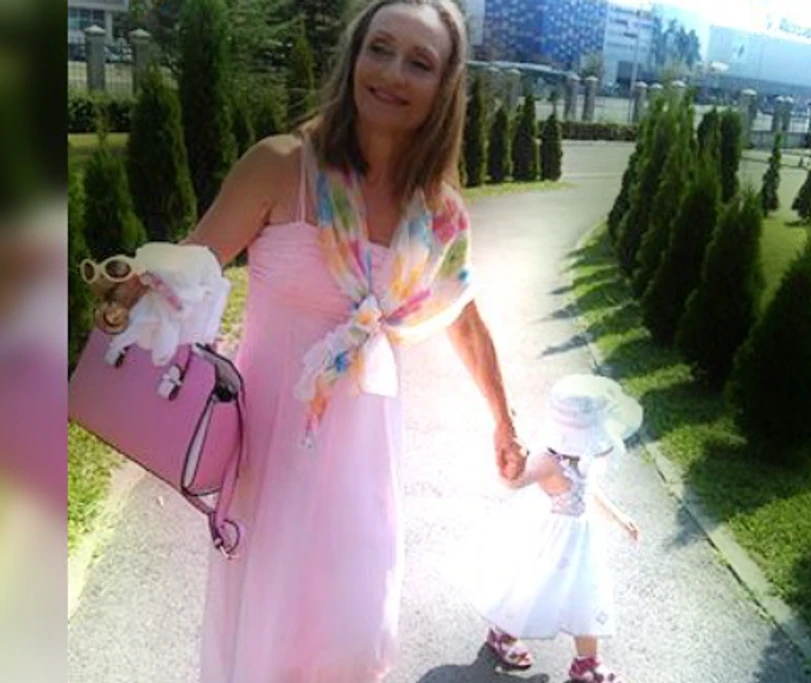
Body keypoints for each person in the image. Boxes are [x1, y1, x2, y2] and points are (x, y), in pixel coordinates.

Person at [84, 0, 526, 680]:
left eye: (419, 62)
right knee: (267, 640)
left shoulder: (438, 215)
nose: (393, 73)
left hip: (365, 474)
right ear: (354, 56)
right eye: (380, 48)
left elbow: (463, 318)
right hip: (266, 462)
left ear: (444, 86)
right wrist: (131, 293)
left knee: (353, 641)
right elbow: (193, 266)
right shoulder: (281, 166)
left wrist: (503, 417)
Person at [457, 374, 642, 683]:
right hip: (554, 541)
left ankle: (586, 663)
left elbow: (588, 491)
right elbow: (514, 482)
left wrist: (618, 516)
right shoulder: (548, 460)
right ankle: (503, 635)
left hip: (581, 541)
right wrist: (509, 461)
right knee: (532, 588)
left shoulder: (582, 456)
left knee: (586, 594)